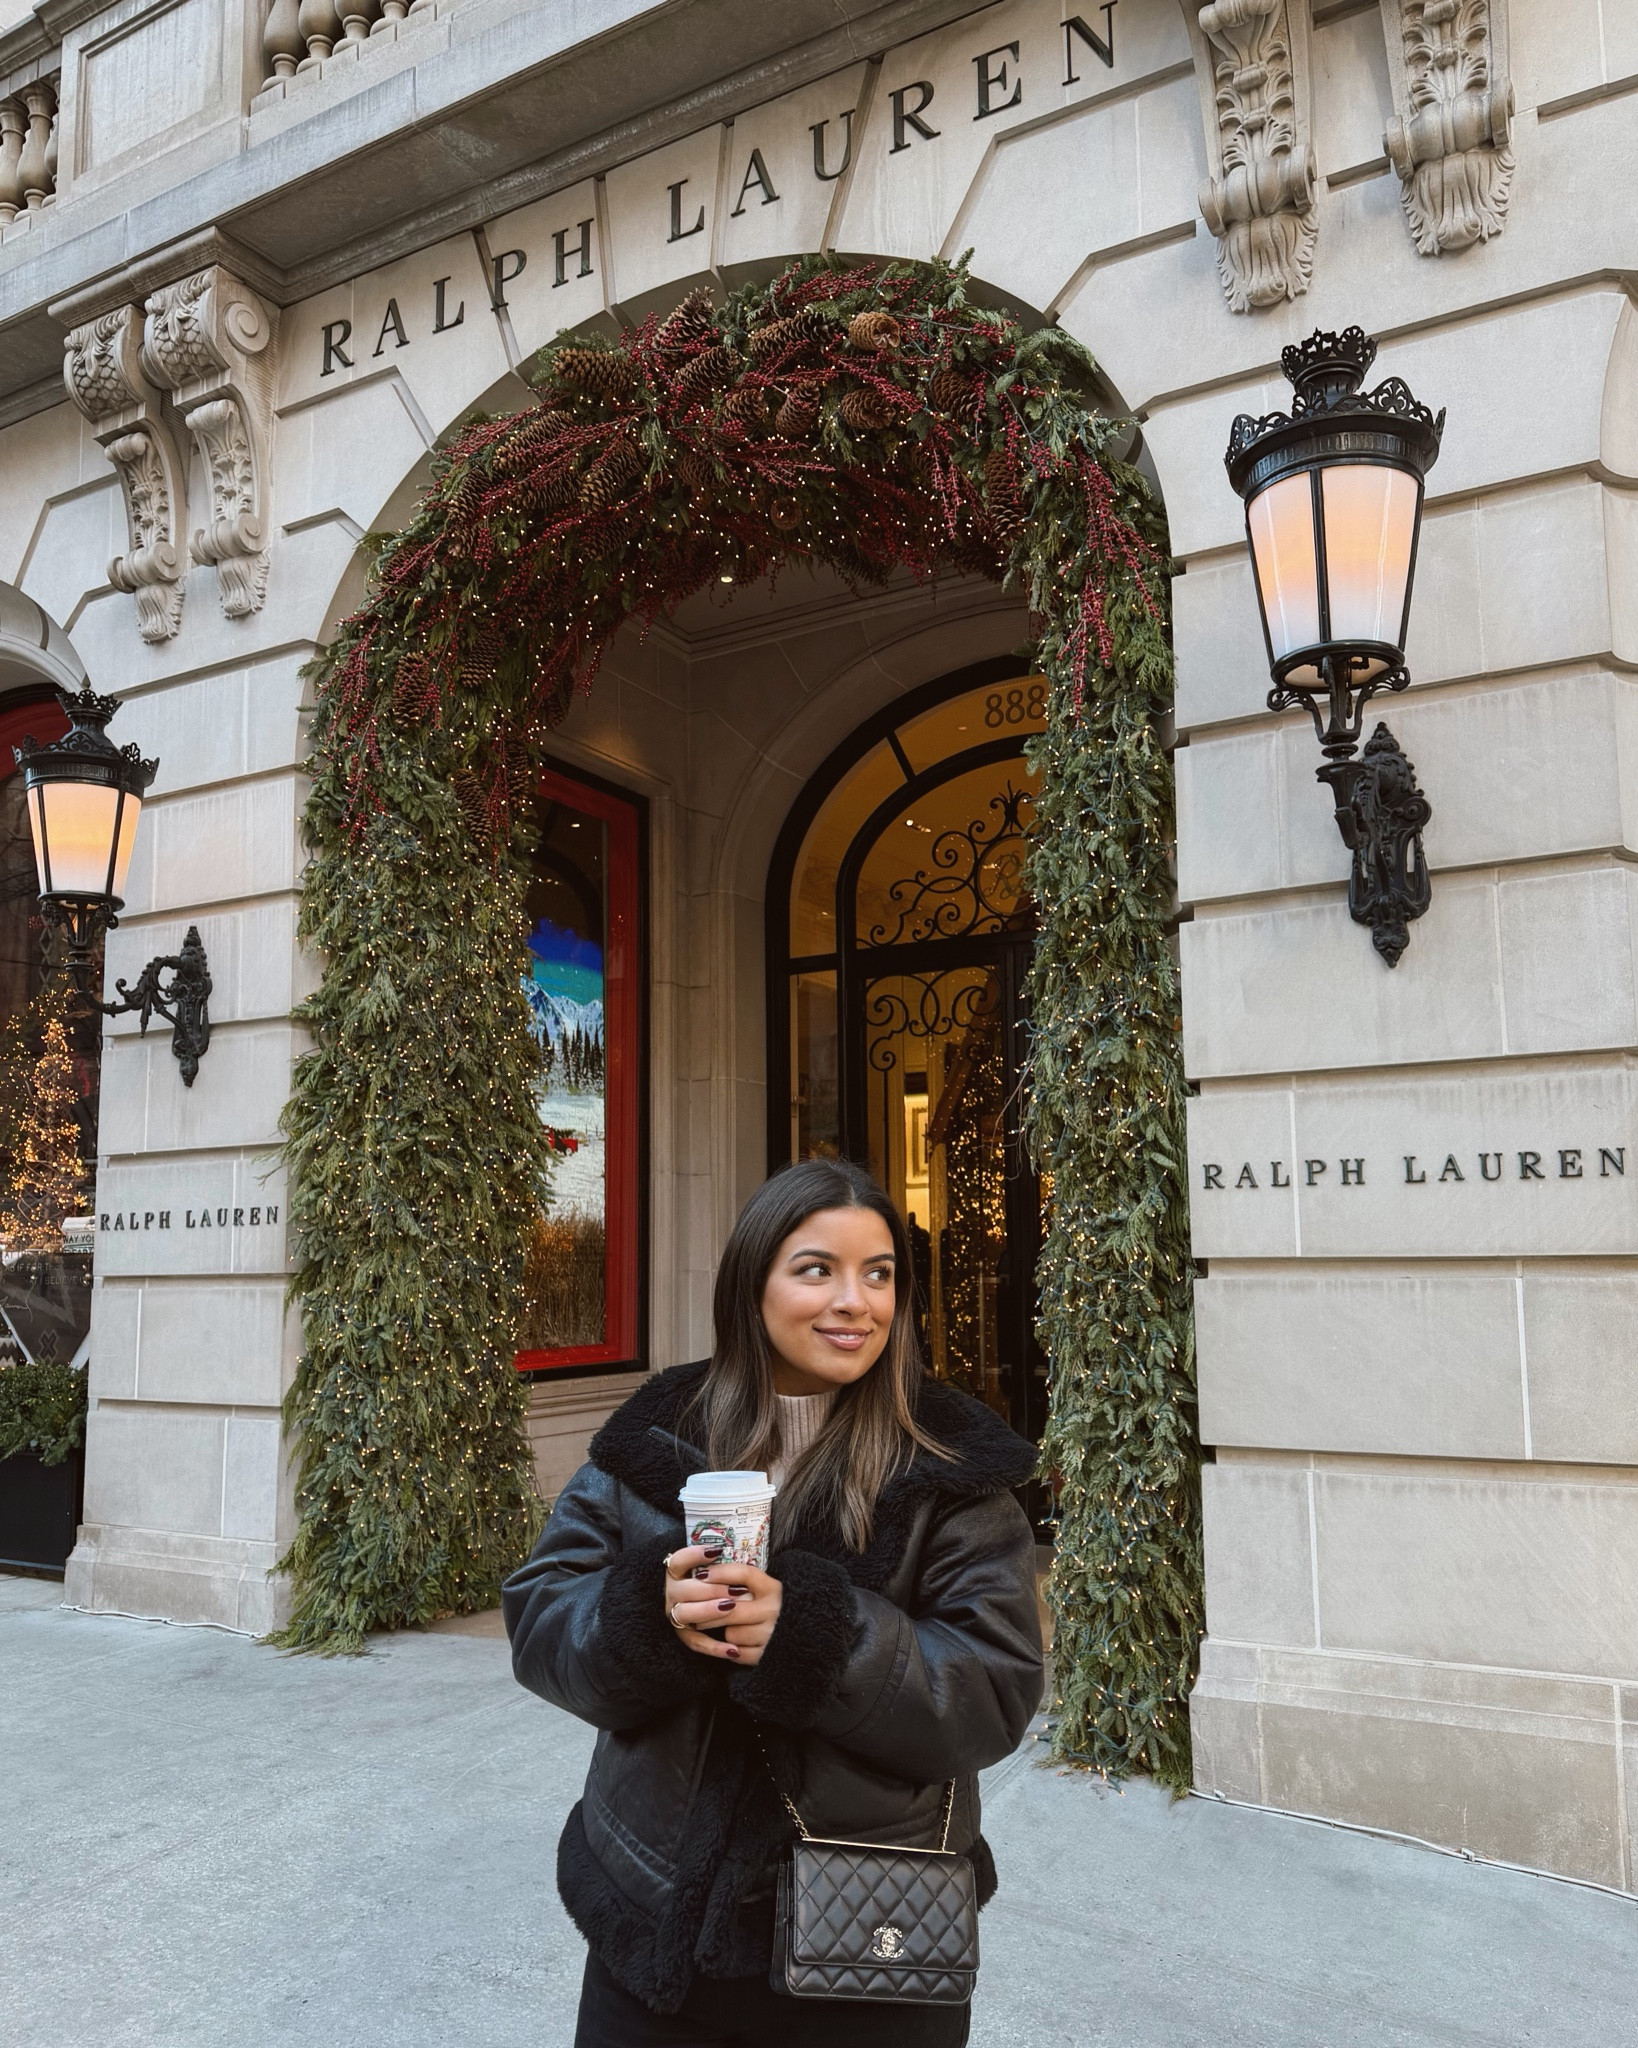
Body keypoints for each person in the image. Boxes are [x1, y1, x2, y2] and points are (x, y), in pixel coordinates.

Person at [503, 1158, 1044, 2047]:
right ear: (751, 1284)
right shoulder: (651, 1442)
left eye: (879, 1274)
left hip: (872, 1937)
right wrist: (649, 1617)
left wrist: (815, 1643)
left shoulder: (950, 1472)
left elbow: (990, 1691)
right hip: (657, 1932)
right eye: (816, 1269)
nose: (854, 1301)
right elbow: (541, 1624)